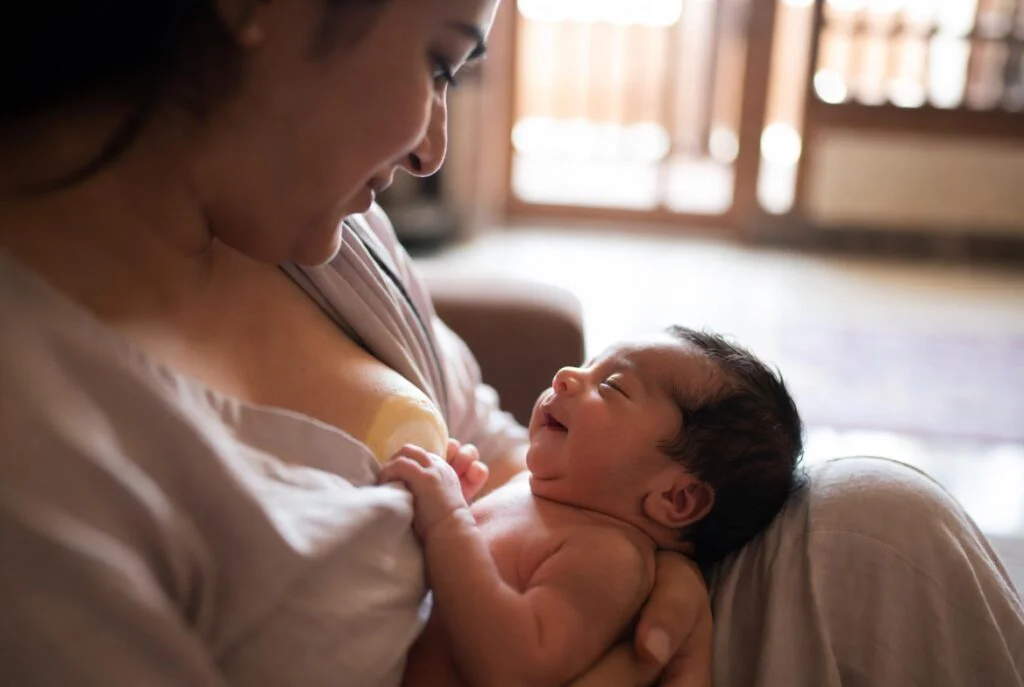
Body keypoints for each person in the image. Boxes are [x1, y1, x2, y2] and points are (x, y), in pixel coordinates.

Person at [0, 1, 1020, 686]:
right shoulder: (44, 456)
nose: (434, 144)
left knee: (880, 526)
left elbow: (489, 438)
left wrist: (640, 561)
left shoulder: (322, 230)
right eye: (438, 61)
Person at [386, 327, 805, 686]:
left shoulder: (609, 557)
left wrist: (447, 519)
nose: (566, 376)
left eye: (612, 386)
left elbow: (516, 668)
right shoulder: (540, 493)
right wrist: (460, 499)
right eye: (588, 365)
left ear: (676, 498)